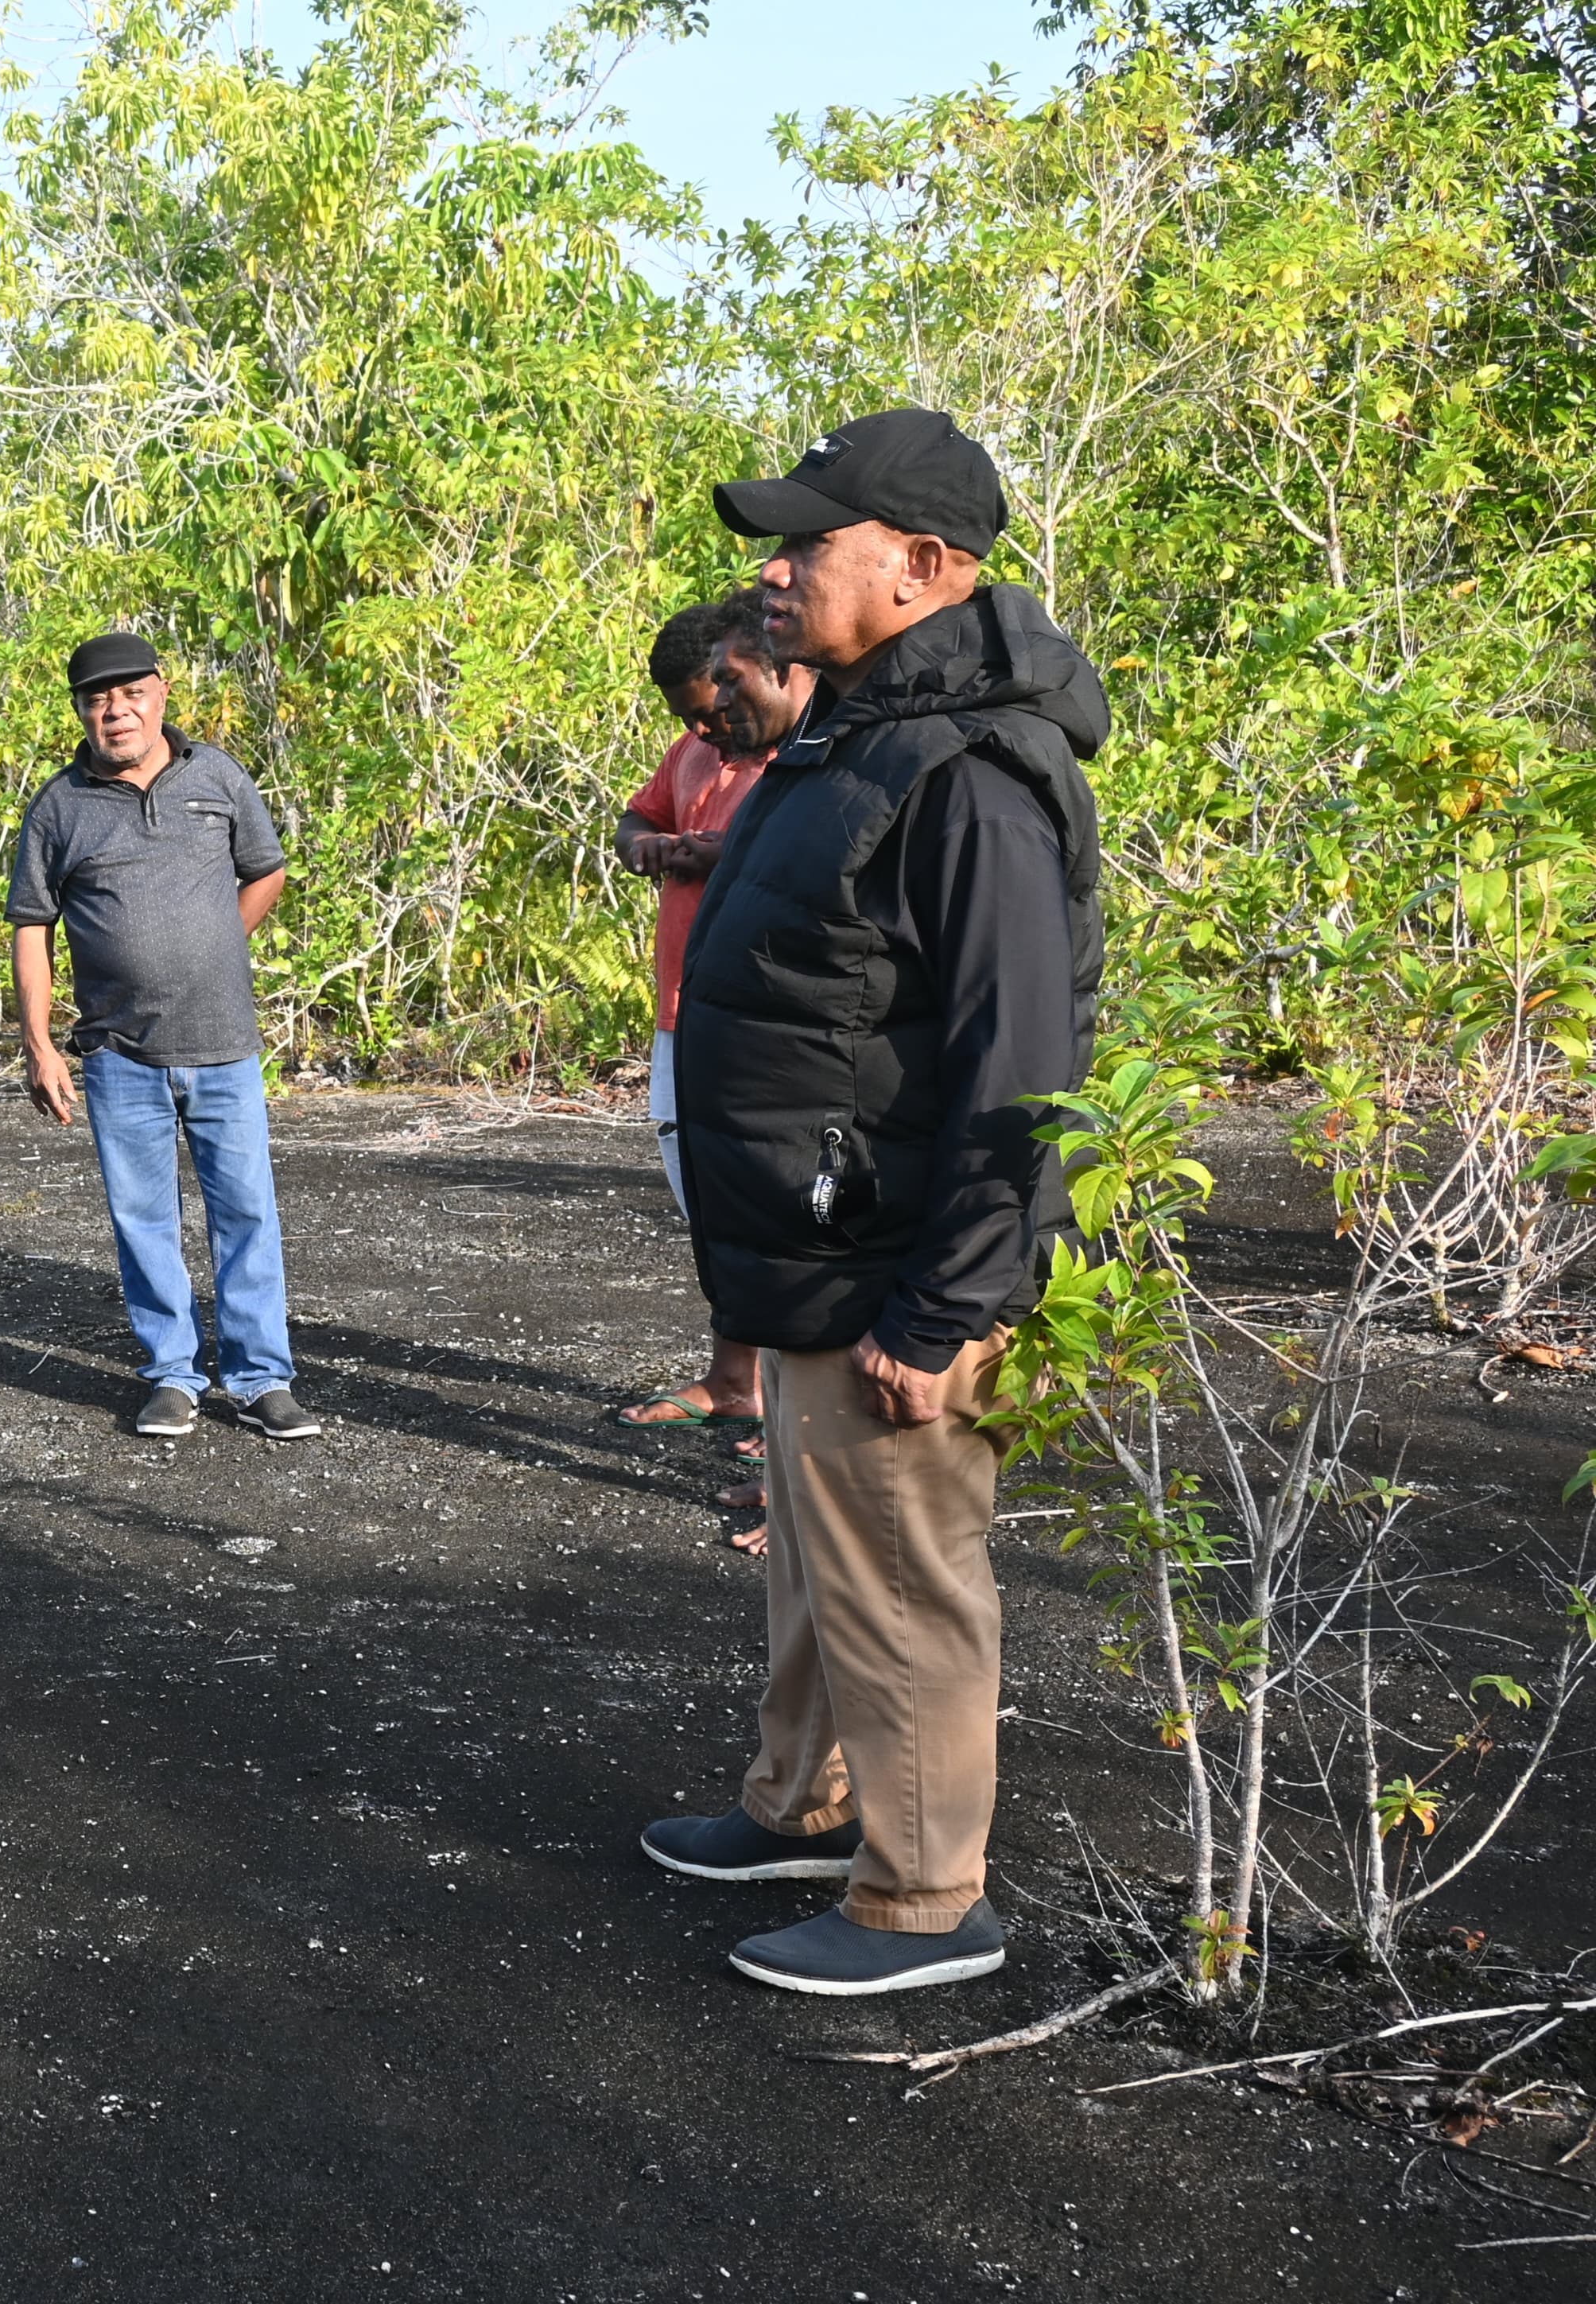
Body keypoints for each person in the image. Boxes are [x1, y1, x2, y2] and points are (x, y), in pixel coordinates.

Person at [639, 407, 1106, 1996]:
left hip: (893, 1274)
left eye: (805, 544)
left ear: (918, 567)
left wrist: (945, 1302)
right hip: (812, 1260)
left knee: (903, 1578)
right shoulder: (850, 731)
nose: (770, 573)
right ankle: (802, 1806)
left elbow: (1022, 1061)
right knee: (818, 1562)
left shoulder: (969, 770)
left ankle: (922, 1899)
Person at [8, 631, 316, 1443]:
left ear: (160, 693)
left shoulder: (216, 776)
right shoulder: (57, 805)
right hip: (117, 1054)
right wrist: (39, 1043)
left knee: (246, 1212)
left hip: (224, 1044)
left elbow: (266, 869)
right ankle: (171, 1375)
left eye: (129, 693)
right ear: (80, 709)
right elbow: (31, 927)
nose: (115, 710)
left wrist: (218, 940)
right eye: (95, 698)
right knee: (142, 1217)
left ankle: (258, 1378)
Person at [609, 591, 810, 1555]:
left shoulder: (804, 753)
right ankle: (734, 1380)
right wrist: (651, 844)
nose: (705, 725)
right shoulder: (698, 752)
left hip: (768, 1026)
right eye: (690, 714)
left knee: (782, 1229)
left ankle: (799, 1468)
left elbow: (803, 862)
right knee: (713, 1212)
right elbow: (635, 813)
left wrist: (716, 851)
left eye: (716, 700)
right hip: (681, 1011)